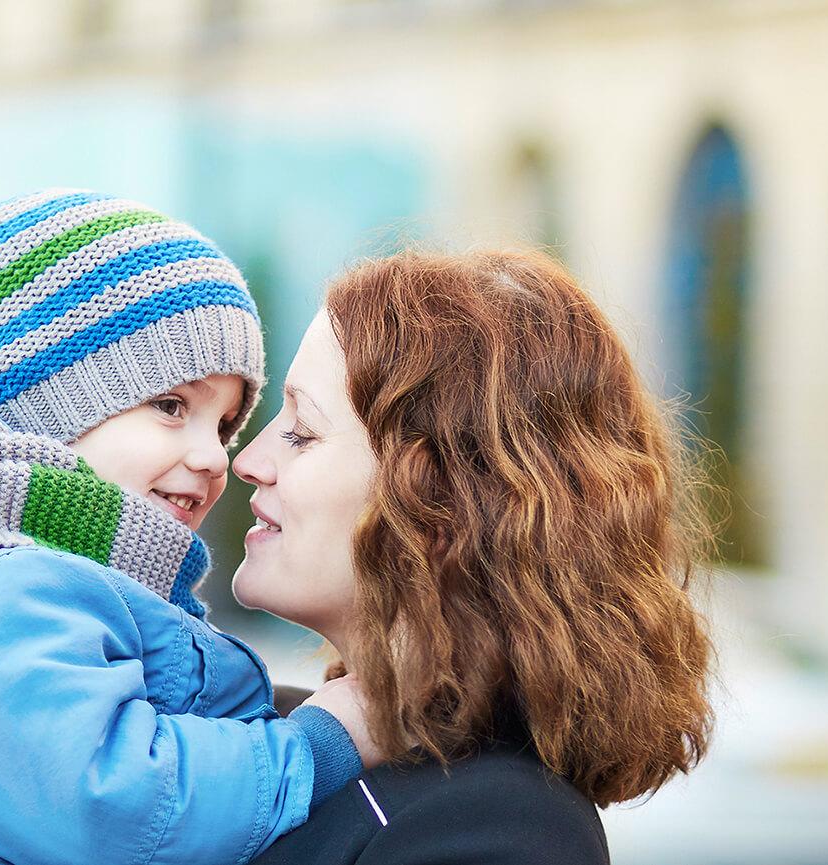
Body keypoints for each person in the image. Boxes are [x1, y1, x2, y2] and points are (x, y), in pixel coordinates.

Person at [0, 190, 379, 865]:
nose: (213, 456)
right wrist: (320, 740)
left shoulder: (55, 585)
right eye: (171, 406)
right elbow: (112, 808)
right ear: (43, 415)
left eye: (224, 425)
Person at [236, 249, 716, 863]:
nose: (246, 460)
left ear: (440, 501)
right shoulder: (261, 737)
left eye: (302, 431)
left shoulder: (500, 828)